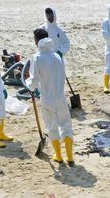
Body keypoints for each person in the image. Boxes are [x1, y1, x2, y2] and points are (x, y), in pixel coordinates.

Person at [25, 29, 75, 165]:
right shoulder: (57, 56)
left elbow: (34, 81)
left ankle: (58, 156)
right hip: (60, 97)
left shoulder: (37, 58)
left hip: (47, 98)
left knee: (52, 126)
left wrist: (29, 85)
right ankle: (70, 156)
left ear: (37, 40)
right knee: (65, 124)